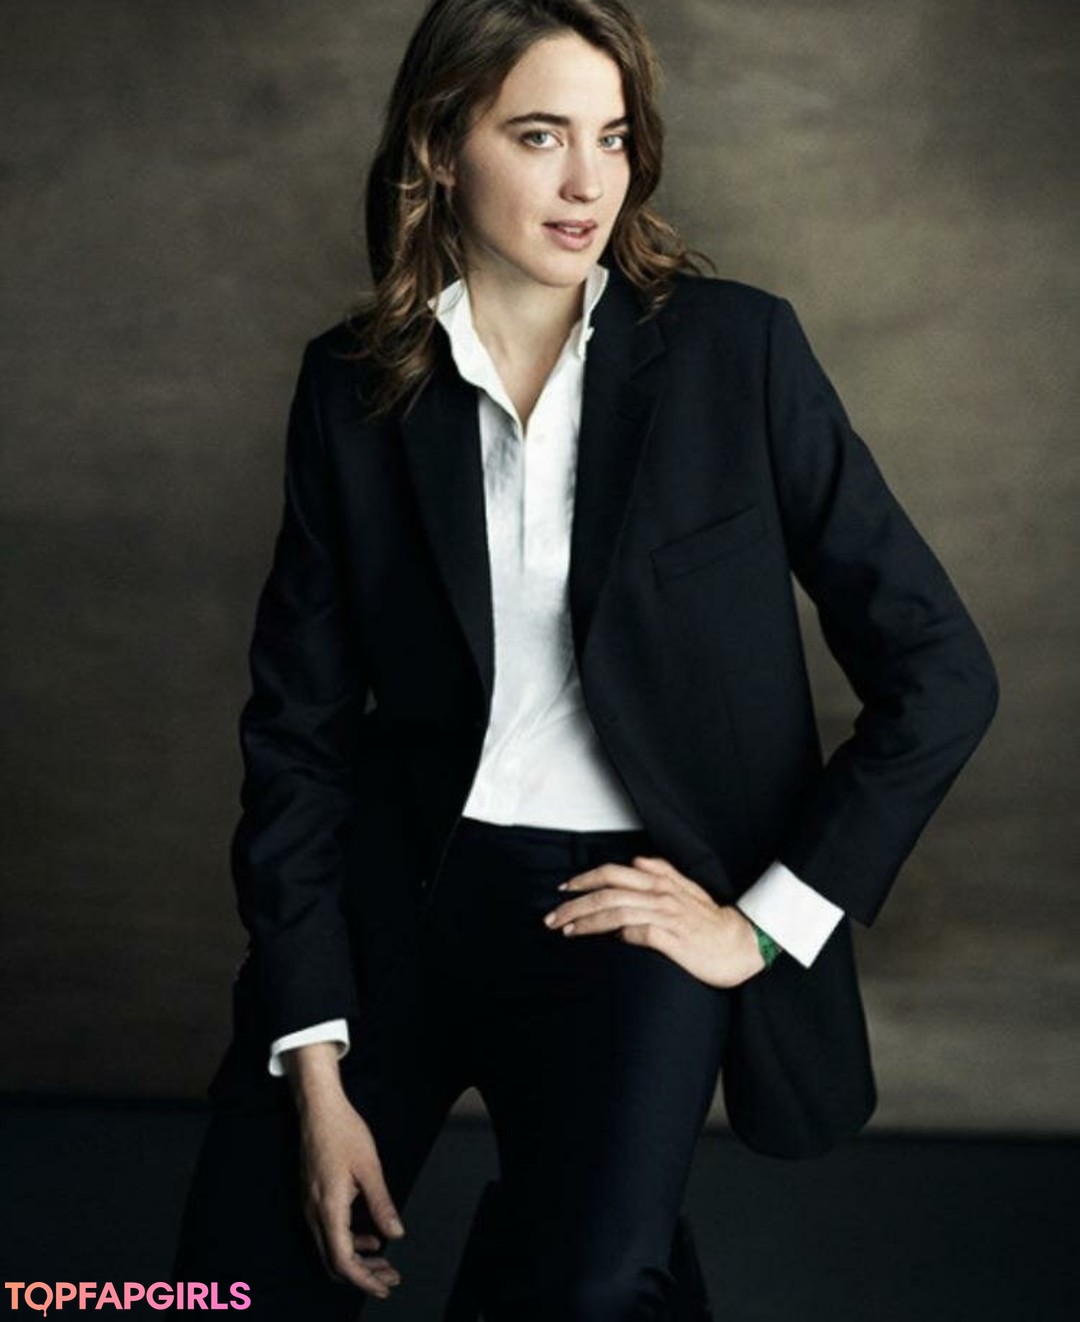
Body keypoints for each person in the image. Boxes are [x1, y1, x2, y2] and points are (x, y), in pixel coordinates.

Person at [174, 1, 999, 1317]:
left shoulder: (736, 353)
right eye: (539, 135)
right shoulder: (354, 385)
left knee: (595, 1288)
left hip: (627, 908)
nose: (587, 182)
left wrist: (761, 924)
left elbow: (942, 672)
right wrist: (314, 1068)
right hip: (405, 898)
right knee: (224, 1284)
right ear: (440, 145)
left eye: (611, 138)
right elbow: (297, 735)